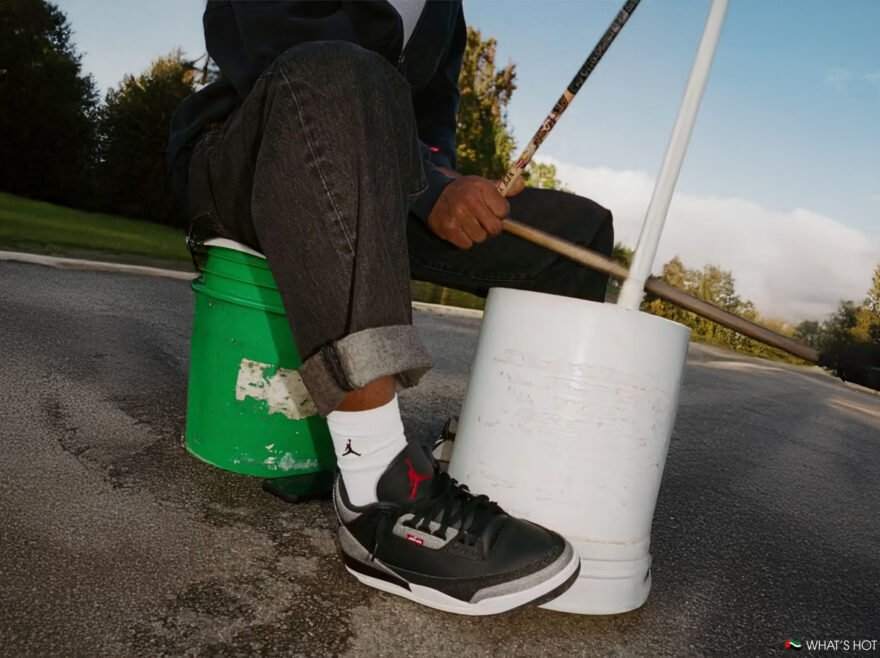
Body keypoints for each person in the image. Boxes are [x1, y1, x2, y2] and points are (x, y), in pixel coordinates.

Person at [168, 0, 614, 615]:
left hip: (382, 181)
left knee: (580, 235)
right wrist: (430, 190)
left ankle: (495, 450)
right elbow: (260, 42)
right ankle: (376, 488)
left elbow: (433, 123)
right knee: (346, 74)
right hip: (254, 148)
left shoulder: (444, 11)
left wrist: (448, 184)